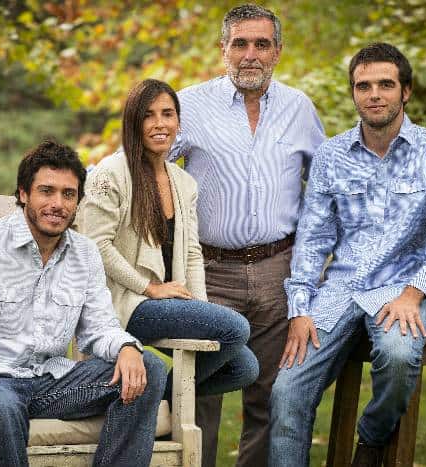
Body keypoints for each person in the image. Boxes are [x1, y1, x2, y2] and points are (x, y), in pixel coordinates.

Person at [269, 42, 426, 466]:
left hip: (404, 287)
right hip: (340, 290)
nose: (374, 94)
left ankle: (372, 439)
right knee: (287, 390)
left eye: (385, 84)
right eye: (363, 86)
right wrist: (300, 308)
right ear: (354, 93)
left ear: (406, 92)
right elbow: (313, 237)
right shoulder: (330, 156)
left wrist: (415, 292)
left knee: (399, 357)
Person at [0, 140, 167, 467]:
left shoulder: (84, 255)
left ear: (78, 201)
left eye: (68, 194)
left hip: (48, 384)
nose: (57, 203)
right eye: (47, 191)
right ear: (24, 194)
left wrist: (127, 348)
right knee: (3, 407)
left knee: (149, 367)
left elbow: (98, 329)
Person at [168, 4, 326, 466]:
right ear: (223, 49)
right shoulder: (189, 105)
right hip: (208, 272)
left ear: (277, 51)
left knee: (271, 396)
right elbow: (142, 161)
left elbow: (324, 190)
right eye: (240, 43)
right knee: (200, 395)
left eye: (262, 44)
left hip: (281, 271)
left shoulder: (299, 108)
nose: (250, 54)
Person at [78, 79, 259, 408]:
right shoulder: (109, 174)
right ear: (134, 122)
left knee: (244, 367)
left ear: (178, 122)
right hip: (124, 304)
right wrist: (149, 287)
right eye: (149, 115)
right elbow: (97, 246)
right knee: (236, 327)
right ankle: (152, 399)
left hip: (165, 303)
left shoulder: (183, 182)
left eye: (168, 114)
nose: (160, 124)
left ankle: (150, 398)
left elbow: (192, 253)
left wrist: (201, 311)